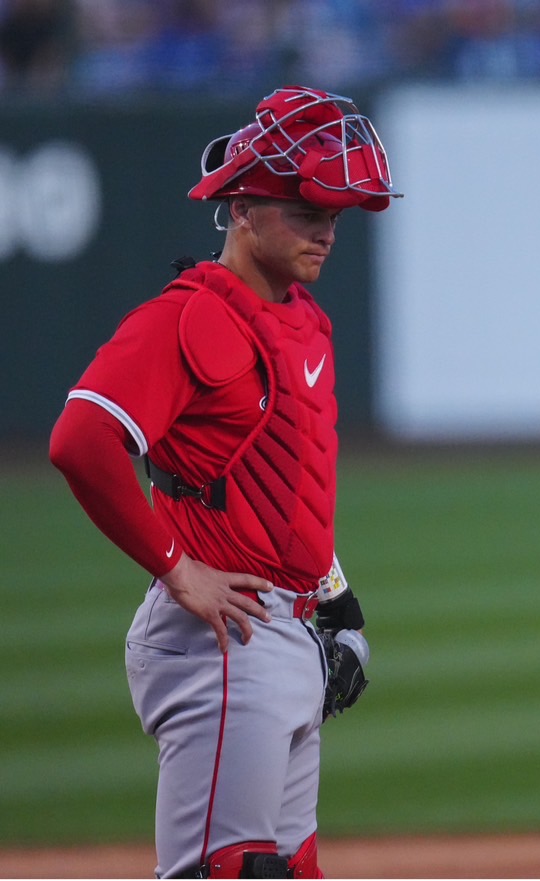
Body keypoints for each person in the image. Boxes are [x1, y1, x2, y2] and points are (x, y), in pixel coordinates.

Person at [48, 85, 399, 878]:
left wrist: (333, 596)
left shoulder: (302, 316)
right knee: (229, 871)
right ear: (241, 208)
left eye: (336, 214)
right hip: (223, 644)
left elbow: (284, 480)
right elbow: (81, 439)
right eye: (305, 210)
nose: (326, 231)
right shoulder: (190, 318)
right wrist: (176, 567)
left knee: (290, 866)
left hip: (285, 631)